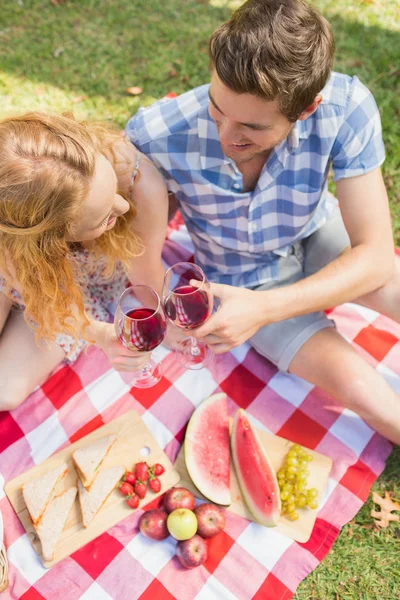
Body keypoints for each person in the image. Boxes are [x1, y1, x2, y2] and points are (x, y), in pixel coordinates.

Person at [127, 0, 400, 444]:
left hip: (319, 236)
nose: (225, 136)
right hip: (242, 280)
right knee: (370, 399)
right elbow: (138, 253)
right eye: (217, 109)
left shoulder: (347, 107)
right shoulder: (155, 135)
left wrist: (265, 311)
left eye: (250, 127)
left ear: (306, 109)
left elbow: (374, 258)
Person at [0, 112, 169, 411]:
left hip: (72, 290)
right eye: (104, 219)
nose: (124, 205)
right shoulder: (17, 236)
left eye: (113, 192)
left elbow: (146, 280)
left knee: (5, 391)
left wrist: (100, 333)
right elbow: (40, 289)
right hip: (24, 274)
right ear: (49, 240)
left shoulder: (139, 183)